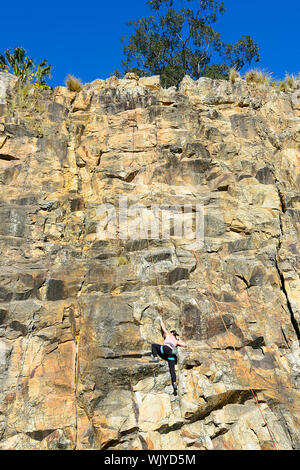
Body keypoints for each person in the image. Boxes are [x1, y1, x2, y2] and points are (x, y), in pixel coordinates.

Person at [149, 316, 187, 395]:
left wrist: (160, 319)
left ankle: (156, 358)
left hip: (165, 349)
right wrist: (179, 340)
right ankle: (174, 383)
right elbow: (184, 345)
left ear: (171, 333)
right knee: (172, 370)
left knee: (154, 346)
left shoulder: (168, 335)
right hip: (172, 354)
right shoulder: (176, 341)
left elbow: (163, 327)